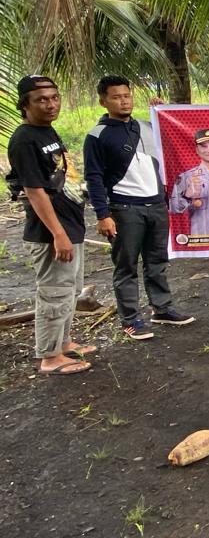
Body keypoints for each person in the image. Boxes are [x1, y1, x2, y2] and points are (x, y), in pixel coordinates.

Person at [84, 76, 193, 340]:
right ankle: (130, 319)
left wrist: (161, 112)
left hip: (156, 205)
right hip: (124, 208)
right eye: (116, 97)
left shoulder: (145, 126)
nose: (124, 101)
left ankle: (162, 309)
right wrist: (103, 215)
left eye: (127, 95)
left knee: (157, 261)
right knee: (126, 265)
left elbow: (175, 138)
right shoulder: (97, 136)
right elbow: (94, 177)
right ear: (103, 101)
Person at [5, 76, 94, 375]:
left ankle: (63, 343)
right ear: (25, 105)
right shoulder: (24, 140)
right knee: (54, 293)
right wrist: (58, 234)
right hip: (50, 232)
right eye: (41, 100)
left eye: (54, 97)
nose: (50, 104)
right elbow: (34, 191)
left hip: (70, 224)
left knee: (69, 290)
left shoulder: (47, 131)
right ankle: (50, 356)